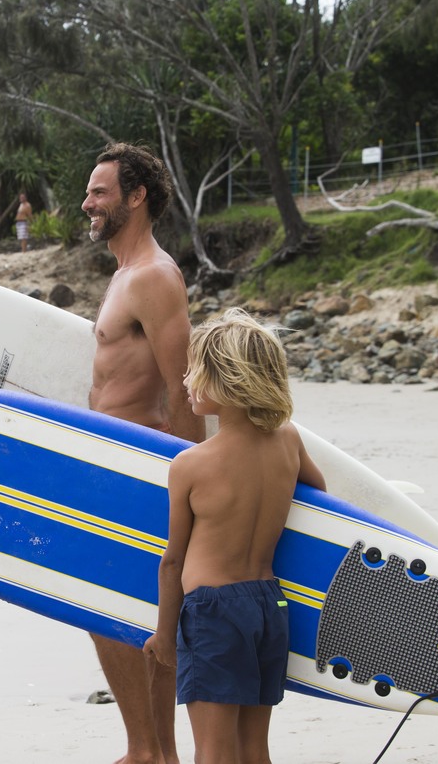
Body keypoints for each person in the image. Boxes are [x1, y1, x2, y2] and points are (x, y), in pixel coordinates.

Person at [143, 309, 326, 764]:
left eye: (194, 370)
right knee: (253, 750)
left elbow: (173, 560)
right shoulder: (288, 441)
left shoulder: (192, 464)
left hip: (212, 613)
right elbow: (319, 499)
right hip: (268, 605)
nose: (185, 379)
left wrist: (165, 634)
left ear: (226, 380)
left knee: (213, 752)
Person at [83, 141, 206, 764]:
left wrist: (194, 485)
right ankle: (153, 751)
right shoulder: (124, 276)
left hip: (140, 471)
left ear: (136, 197)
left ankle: (146, 751)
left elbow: (184, 387)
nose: (88, 203)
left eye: (100, 192)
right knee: (122, 608)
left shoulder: (155, 277)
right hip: (110, 465)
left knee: (107, 605)